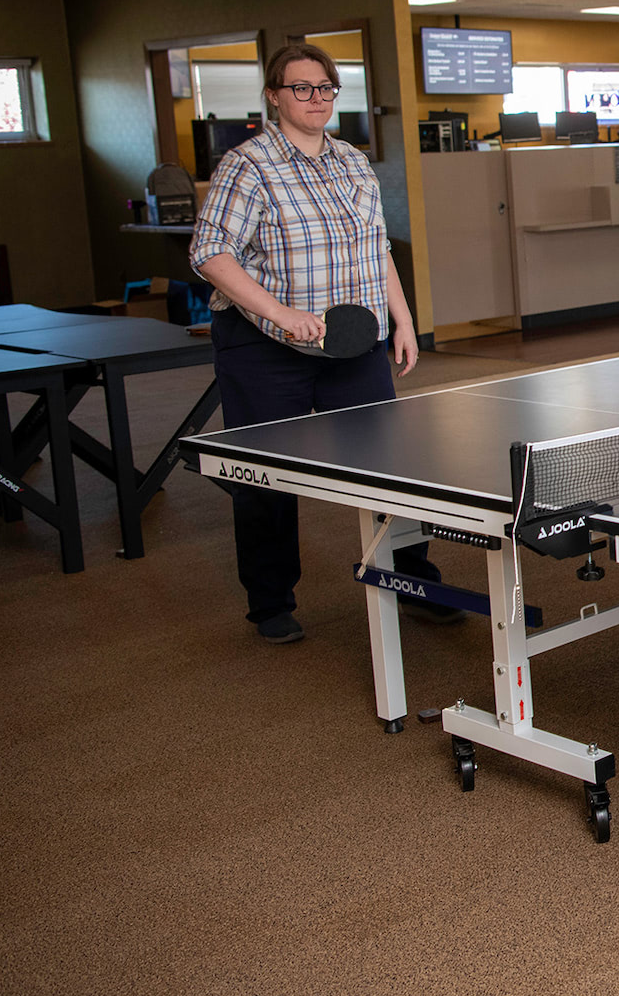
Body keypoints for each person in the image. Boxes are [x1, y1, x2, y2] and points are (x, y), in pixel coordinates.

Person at [190, 42, 456, 644]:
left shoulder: (354, 163)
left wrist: (403, 321)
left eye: (326, 88)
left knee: (394, 467)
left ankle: (412, 577)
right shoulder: (248, 165)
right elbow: (209, 254)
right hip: (263, 348)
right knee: (267, 478)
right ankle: (270, 602)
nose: (316, 99)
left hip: (351, 345)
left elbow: (376, 248)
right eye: (302, 88)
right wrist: (281, 313)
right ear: (274, 95)